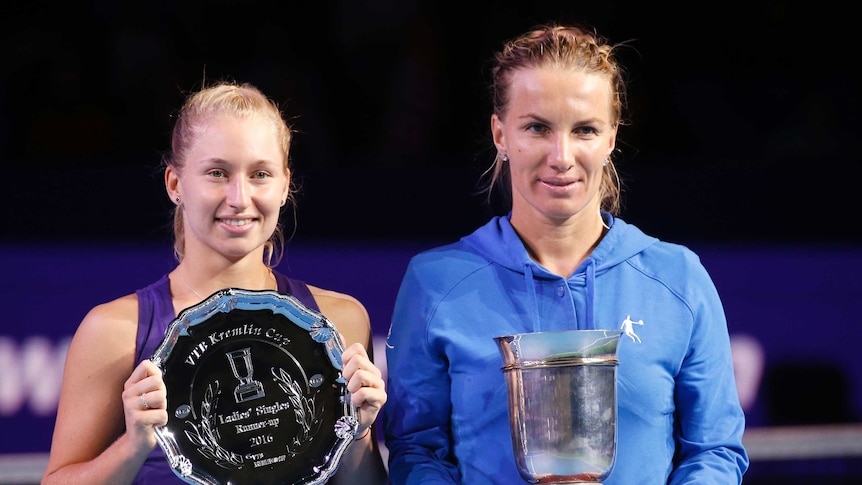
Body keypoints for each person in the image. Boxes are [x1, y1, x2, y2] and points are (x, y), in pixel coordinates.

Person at [382, 23, 749, 484]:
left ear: (612, 137)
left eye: (585, 130)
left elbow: (714, 451)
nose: (561, 155)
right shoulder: (434, 282)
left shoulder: (679, 278)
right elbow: (417, 452)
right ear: (500, 133)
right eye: (537, 127)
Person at [42, 81, 389, 485]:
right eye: (217, 173)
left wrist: (358, 431)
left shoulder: (337, 321)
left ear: (284, 186)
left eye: (260, 174)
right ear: (175, 185)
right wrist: (134, 444)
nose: (239, 197)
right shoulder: (114, 331)